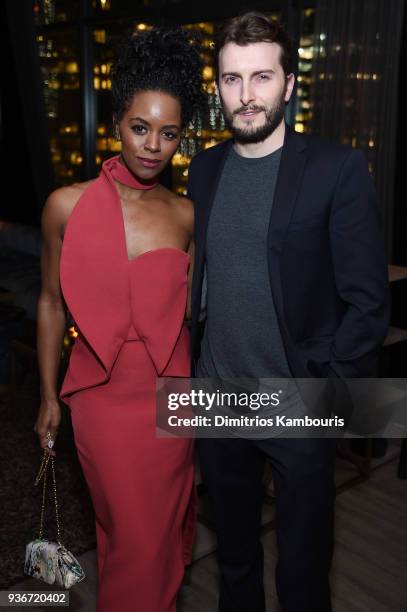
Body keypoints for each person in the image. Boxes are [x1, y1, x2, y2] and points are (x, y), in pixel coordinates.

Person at [187, 12, 390, 612]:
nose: (246, 96)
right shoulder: (203, 169)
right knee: (235, 561)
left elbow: (367, 302)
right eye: (231, 79)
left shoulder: (337, 168)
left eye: (261, 77)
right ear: (218, 85)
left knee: (303, 571)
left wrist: (330, 395)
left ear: (289, 83)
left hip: (299, 402)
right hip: (218, 397)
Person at [34, 26, 205, 612]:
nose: (153, 144)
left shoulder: (186, 215)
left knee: (150, 542)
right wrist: (49, 395)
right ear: (115, 124)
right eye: (140, 127)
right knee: (129, 536)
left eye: (169, 132)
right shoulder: (66, 204)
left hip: (171, 404)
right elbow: (52, 303)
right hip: (101, 401)